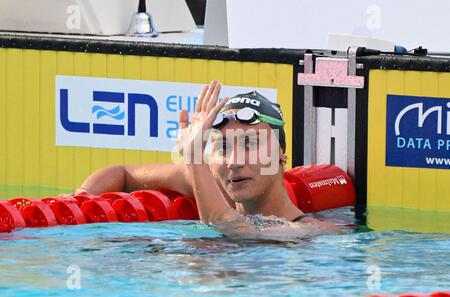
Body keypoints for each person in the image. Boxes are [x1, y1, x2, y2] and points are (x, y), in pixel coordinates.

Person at [68, 81, 342, 241]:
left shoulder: (312, 232)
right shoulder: (210, 186)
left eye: (250, 144)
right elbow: (123, 172)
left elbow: (232, 228)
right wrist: (79, 202)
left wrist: (193, 156)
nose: (234, 161)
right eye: (222, 147)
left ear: (281, 156)